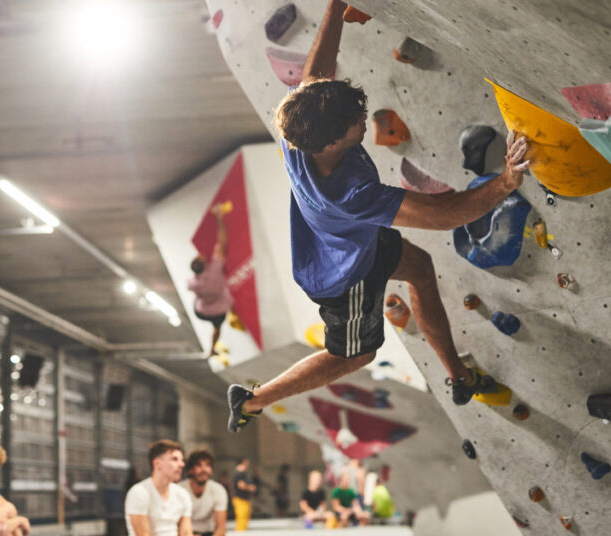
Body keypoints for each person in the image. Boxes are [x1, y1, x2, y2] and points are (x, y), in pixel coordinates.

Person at [226, 0, 531, 432]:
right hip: (341, 278)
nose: (363, 122)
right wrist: (505, 182)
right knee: (357, 354)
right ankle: (253, 400)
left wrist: (334, 7)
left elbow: (317, 72)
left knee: (420, 270)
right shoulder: (353, 194)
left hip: (356, 242)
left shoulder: (297, 126)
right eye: (356, 125)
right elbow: (447, 215)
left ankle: (458, 377)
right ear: (334, 143)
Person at [187, 204, 235, 356]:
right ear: (203, 264)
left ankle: (212, 349)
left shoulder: (192, 283)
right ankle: (212, 349)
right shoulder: (214, 269)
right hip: (217, 309)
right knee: (217, 326)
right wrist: (219, 218)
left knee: (216, 327)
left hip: (201, 311)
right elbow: (222, 244)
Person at [125, 440, 193, 536]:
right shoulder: (139, 493)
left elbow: (186, 533)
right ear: (157, 463)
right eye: (174, 459)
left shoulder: (182, 494)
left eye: (181, 460)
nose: (182, 464)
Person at [178, 450, 228, 536]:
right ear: (190, 470)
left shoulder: (218, 490)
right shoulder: (180, 490)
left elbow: (221, 528)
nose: (204, 470)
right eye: (199, 465)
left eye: (207, 465)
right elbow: (177, 524)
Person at [230, 459, 256, 531]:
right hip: (240, 499)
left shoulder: (241, 473)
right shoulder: (239, 474)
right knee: (242, 519)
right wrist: (250, 488)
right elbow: (241, 485)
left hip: (243, 499)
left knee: (245, 519)